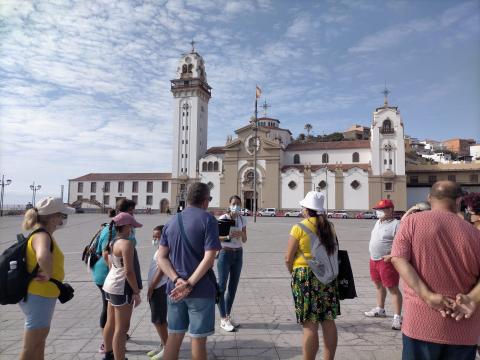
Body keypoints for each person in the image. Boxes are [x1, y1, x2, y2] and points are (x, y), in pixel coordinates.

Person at [391, 181, 480, 359]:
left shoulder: (411, 222)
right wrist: (470, 298)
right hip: (463, 327)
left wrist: (427, 295)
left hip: (420, 324)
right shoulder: (475, 234)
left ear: (429, 198)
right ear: (459, 201)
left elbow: (398, 259)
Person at [157, 182, 221, 360]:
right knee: (198, 339)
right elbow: (209, 258)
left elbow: (161, 257)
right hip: (200, 289)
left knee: (175, 336)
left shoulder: (171, 222)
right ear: (206, 200)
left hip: (174, 290)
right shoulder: (208, 220)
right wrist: (189, 283)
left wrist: (177, 280)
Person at [284, 191, 339, 360]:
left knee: (310, 324)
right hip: (327, 277)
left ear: (307, 209)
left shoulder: (299, 227)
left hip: (305, 277)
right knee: (328, 320)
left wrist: (292, 272)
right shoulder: (329, 226)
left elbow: (288, 257)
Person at [19, 197, 74, 360]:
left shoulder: (43, 234)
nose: (63, 219)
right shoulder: (42, 235)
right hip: (39, 294)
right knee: (31, 347)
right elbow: (43, 256)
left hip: (41, 294)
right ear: (53, 217)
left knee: (38, 343)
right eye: (62, 215)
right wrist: (48, 272)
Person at [101, 199, 142, 359]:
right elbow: (129, 271)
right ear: (125, 226)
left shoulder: (113, 241)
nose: (132, 228)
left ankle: (108, 353)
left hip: (110, 284)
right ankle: (120, 357)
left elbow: (110, 261)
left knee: (110, 322)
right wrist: (136, 291)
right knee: (122, 328)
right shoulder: (126, 244)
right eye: (131, 225)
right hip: (121, 287)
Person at [364, 199, 403, 330]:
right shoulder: (378, 222)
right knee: (378, 285)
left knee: (393, 288)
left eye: (382, 209)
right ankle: (380, 309)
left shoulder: (397, 224)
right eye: (378, 210)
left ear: (391, 210)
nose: (378, 212)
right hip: (373, 259)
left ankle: (397, 317)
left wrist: (391, 256)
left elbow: (401, 244)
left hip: (386, 261)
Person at [217, 195, 248, 332]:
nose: (236, 206)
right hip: (225, 253)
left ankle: (228, 315)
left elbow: (245, 239)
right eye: (234, 203)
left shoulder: (242, 218)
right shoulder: (223, 219)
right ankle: (223, 318)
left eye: (238, 203)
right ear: (229, 204)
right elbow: (217, 238)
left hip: (238, 254)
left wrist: (241, 233)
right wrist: (229, 236)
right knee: (222, 286)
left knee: (233, 287)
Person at [90, 209, 116, 354]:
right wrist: (115, 271)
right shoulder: (110, 231)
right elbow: (106, 253)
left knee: (111, 308)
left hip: (103, 273)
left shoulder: (109, 228)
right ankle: (105, 343)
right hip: (104, 274)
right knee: (108, 308)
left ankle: (115, 335)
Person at [146, 225, 168, 359]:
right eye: (154, 236)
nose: (155, 239)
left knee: (158, 320)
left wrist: (152, 287)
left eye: (158, 237)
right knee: (159, 319)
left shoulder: (163, 250)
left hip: (159, 287)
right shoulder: (159, 249)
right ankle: (163, 344)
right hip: (156, 287)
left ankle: (167, 347)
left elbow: (160, 271)